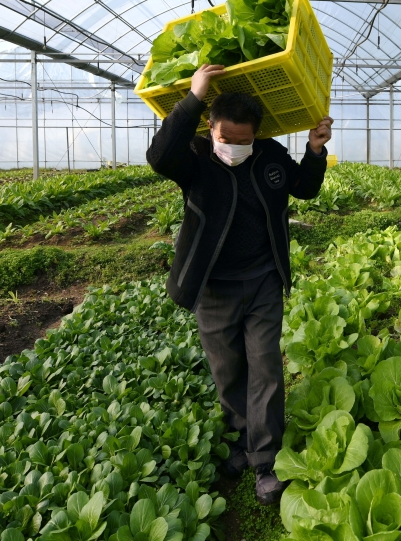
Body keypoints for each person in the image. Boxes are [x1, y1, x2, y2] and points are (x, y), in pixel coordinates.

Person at [146, 63, 333, 505]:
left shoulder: (267, 155)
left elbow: (304, 189)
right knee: (227, 369)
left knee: (265, 367)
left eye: (243, 140)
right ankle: (239, 439)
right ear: (211, 128)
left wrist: (315, 150)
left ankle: (266, 459)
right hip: (213, 286)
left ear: (258, 135)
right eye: (226, 138)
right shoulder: (193, 156)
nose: (233, 147)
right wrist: (193, 97)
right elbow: (157, 158)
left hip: (264, 279)